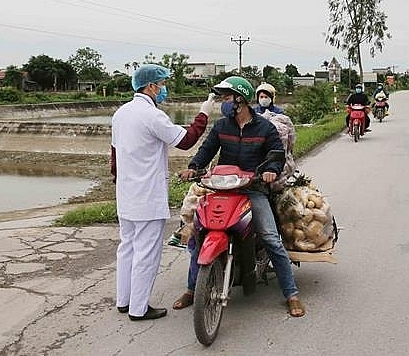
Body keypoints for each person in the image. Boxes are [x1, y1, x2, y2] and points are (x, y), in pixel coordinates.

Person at [177, 76, 305, 318]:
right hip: (222, 189)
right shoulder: (222, 126)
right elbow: (207, 150)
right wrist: (194, 166)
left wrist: (270, 171)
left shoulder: (265, 127)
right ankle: (193, 288)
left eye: (226, 97)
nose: (223, 103)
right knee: (198, 234)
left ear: (241, 99)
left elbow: (276, 154)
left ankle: (291, 293)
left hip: (253, 188)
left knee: (270, 237)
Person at [110, 64, 215, 321]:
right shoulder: (152, 116)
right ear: (151, 86)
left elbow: (114, 157)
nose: (164, 88)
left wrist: (120, 182)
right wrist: (204, 112)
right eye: (162, 83)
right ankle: (138, 308)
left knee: (127, 248)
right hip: (147, 196)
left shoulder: (121, 114)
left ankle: (124, 301)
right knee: (146, 252)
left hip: (126, 195)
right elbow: (187, 140)